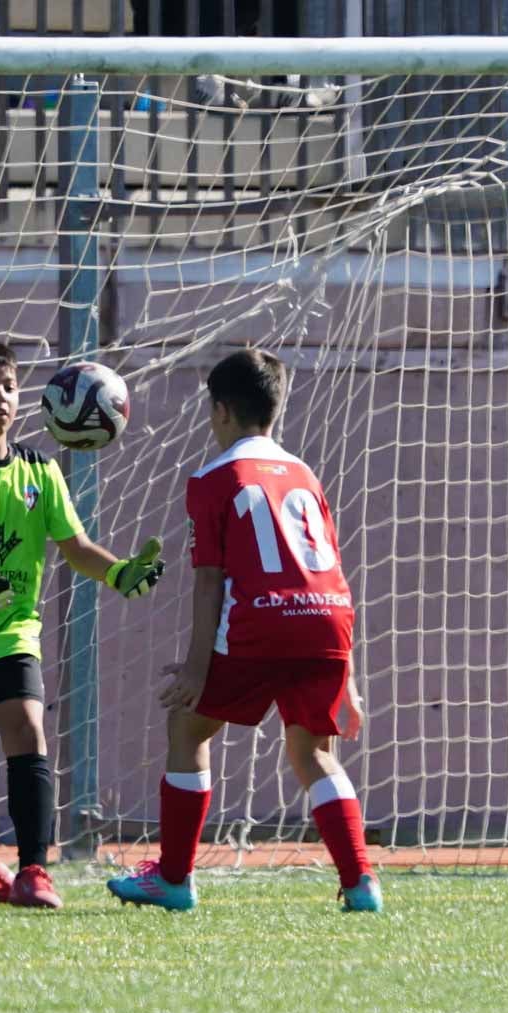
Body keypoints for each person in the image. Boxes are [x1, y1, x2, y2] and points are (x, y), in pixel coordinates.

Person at [106, 348, 382, 913]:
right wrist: (348, 678)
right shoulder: (304, 473)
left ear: (221, 410)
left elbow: (210, 582)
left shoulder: (214, 477)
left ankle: (174, 879)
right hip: (328, 620)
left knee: (188, 726)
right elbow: (330, 567)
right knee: (313, 751)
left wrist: (196, 669)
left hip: (262, 621)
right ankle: (361, 883)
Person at [0, 339, 166, 909]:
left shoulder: (40, 470)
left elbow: (77, 547)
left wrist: (119, 572)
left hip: (12, 632)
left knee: (27, 729)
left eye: (8, 387)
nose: (0, 399)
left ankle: (34, 870)